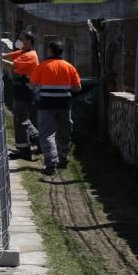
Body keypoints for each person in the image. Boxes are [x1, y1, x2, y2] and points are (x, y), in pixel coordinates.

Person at [28, 40, 81, 175]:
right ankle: (63, 158)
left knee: (47, 134)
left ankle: (51, 162)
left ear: (50, 50)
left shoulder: (42, 66)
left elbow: (31, 85)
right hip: (64, 105)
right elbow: (77, 88)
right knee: (64, 131)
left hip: (46, 105)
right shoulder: (69, 67)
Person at [1, 31, 39, 160]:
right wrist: (3, 55)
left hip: (24, 91)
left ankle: (26, 148)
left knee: (20, 118)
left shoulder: (30, 55)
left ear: (30, 43)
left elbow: (13, 65)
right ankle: (35, 140)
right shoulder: (24, 52)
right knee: (21, 117)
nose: (22, 42)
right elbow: (11, 55)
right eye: (21, 40)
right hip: (21, 90)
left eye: (24, 41)